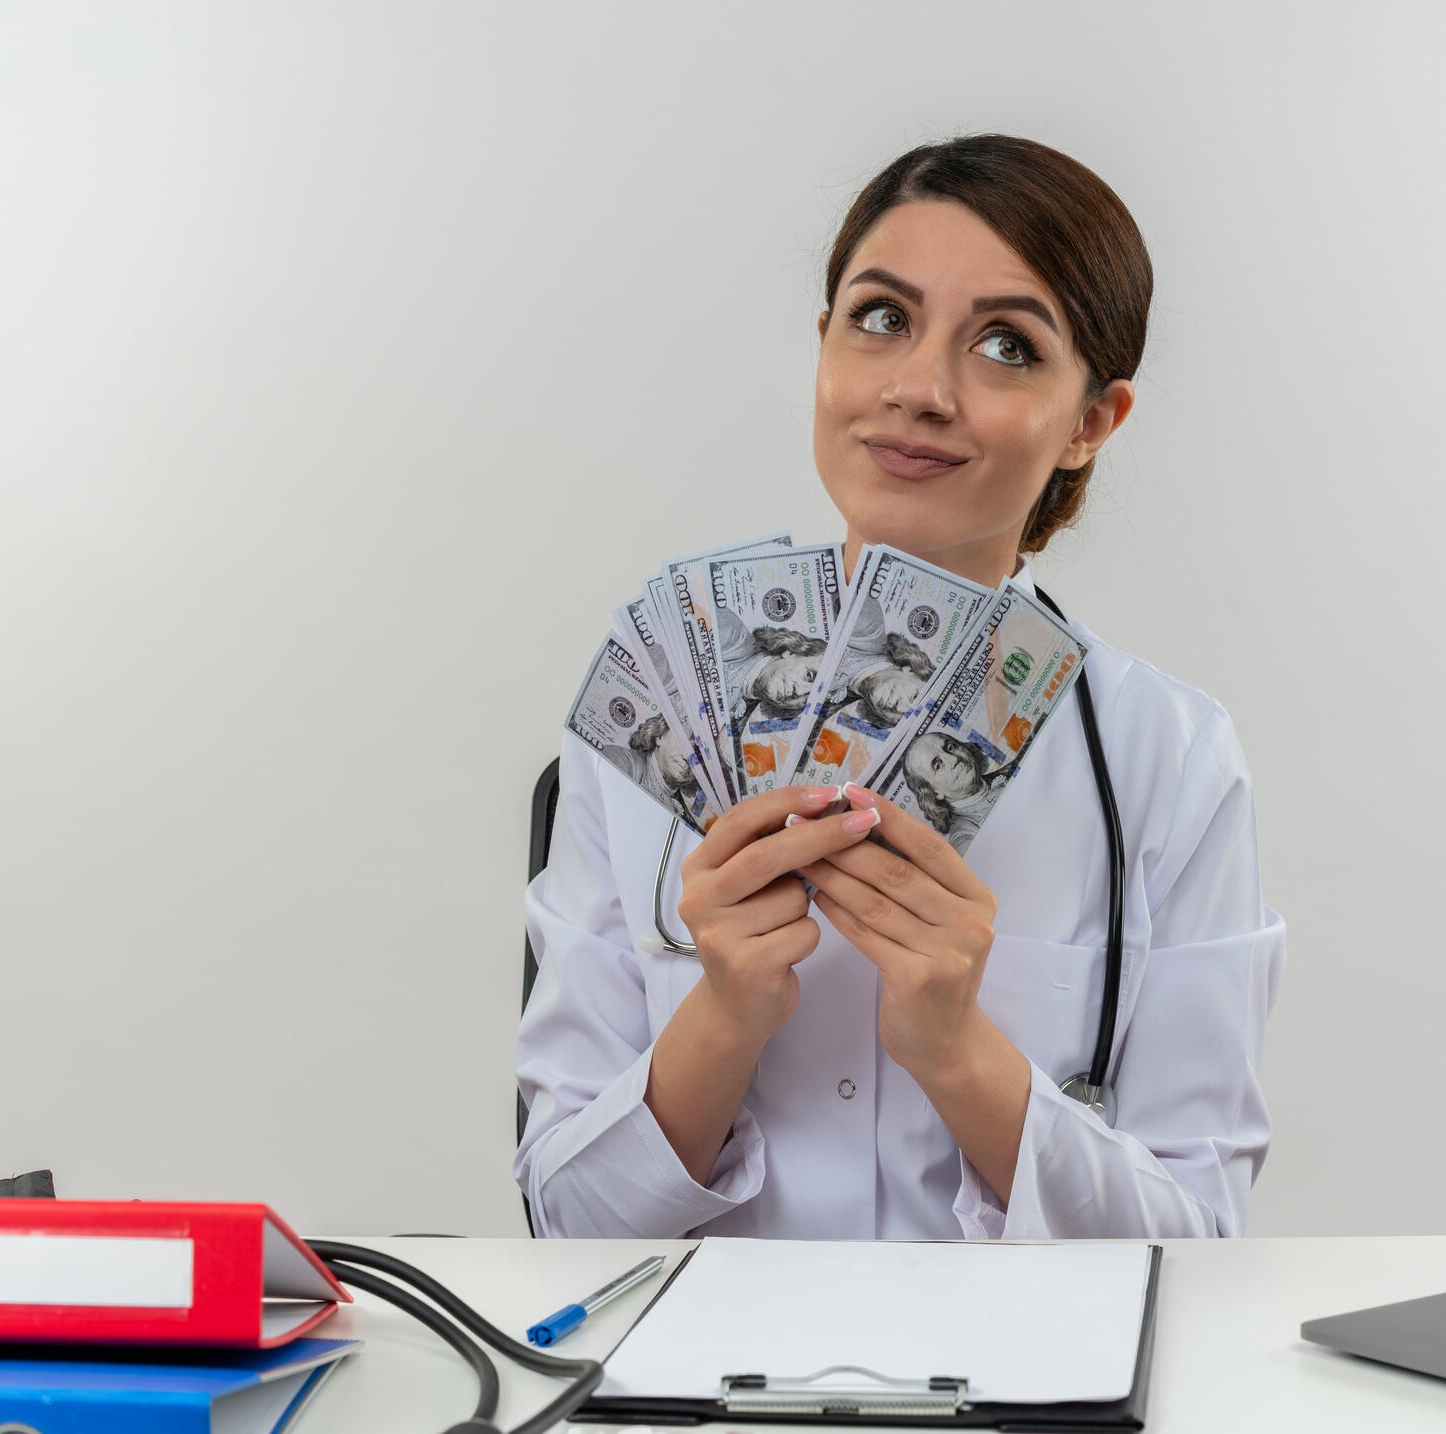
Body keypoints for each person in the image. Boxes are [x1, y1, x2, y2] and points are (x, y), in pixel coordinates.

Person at [515, 134, 1286, 1240]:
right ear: (822, 345)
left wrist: (956, 1050)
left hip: (1010, 1404)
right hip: (694, 1402)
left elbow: (1194, 1243)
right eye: (881, 318)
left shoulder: (1169, 761)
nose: (918, 389)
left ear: (1090, 423)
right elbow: (562, 1230)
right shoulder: (642, 732)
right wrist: (724, 1012)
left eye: (1007, 346)